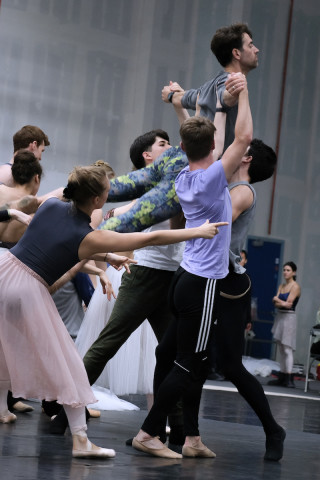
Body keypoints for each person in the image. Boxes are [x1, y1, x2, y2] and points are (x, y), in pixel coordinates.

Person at [0, 162, 222, 460]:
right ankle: (80, 440)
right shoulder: (88, 234)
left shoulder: (52, 205)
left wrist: (109, 256)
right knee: (68, 365)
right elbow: (150, 238)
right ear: (97, 200)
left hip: (5, 272)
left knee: (4, 350)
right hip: (28, 288)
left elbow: (52, 236)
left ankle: (4, 409)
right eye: (107, 191)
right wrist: (197, 231)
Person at [132, 73, 251, 459]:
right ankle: (150, 433)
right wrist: (243, 93)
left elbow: (209, 142)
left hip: (184, 278)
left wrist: (215, 107)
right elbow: (243, 140)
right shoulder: (214, 180)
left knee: (170, 355)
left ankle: (190, 437)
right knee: (191, 360)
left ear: (181, 147)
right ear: (213, 148)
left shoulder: (186, 174)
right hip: (202, 283)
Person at [162, 22, 259, 153]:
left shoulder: (206, 90)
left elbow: (182, 97)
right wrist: (237, 90)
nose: (256, 49)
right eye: (250, 45)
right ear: (236, 53)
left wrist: (170, 94)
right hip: (223, 172)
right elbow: (225, 95)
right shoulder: (229, 86)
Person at [269, 262, 301, 388]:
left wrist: (277, 299)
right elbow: (276, 303)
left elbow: (289, 304)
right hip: (280, 316)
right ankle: (282, 376)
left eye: (288, 270)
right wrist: (278, 301)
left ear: (293, 272)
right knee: (281, 348)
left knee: (287, 349)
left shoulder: (295, 286)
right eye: (284, 270)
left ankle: (289, 377)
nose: (285, 272)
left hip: (289, 317)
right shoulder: (282, 285)